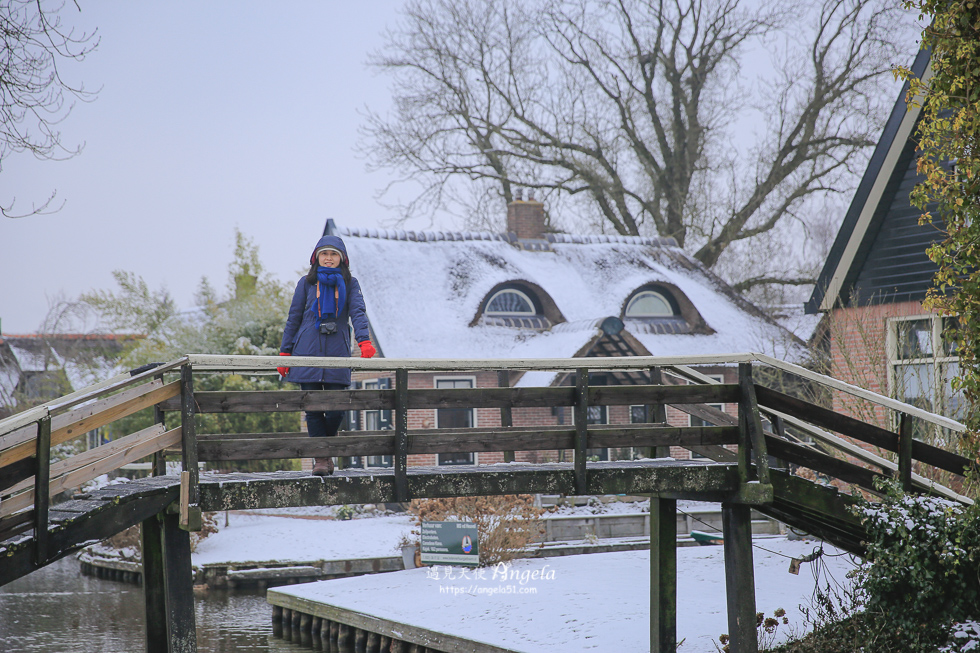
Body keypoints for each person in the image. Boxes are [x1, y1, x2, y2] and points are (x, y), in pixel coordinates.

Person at [278, 235, 376, 476]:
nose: (329, 258)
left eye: (333, 254)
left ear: (342, 258)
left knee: (336, 409)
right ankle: (322, 459)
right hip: (306, 352)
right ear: (316, 258)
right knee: (312, 409)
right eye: (324, 254)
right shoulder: (306, 283)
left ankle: (325, 452)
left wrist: (364, 340)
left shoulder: (351, 283)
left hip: (337, 353)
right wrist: (285, 352)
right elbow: (294, 317)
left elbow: (358, 312)